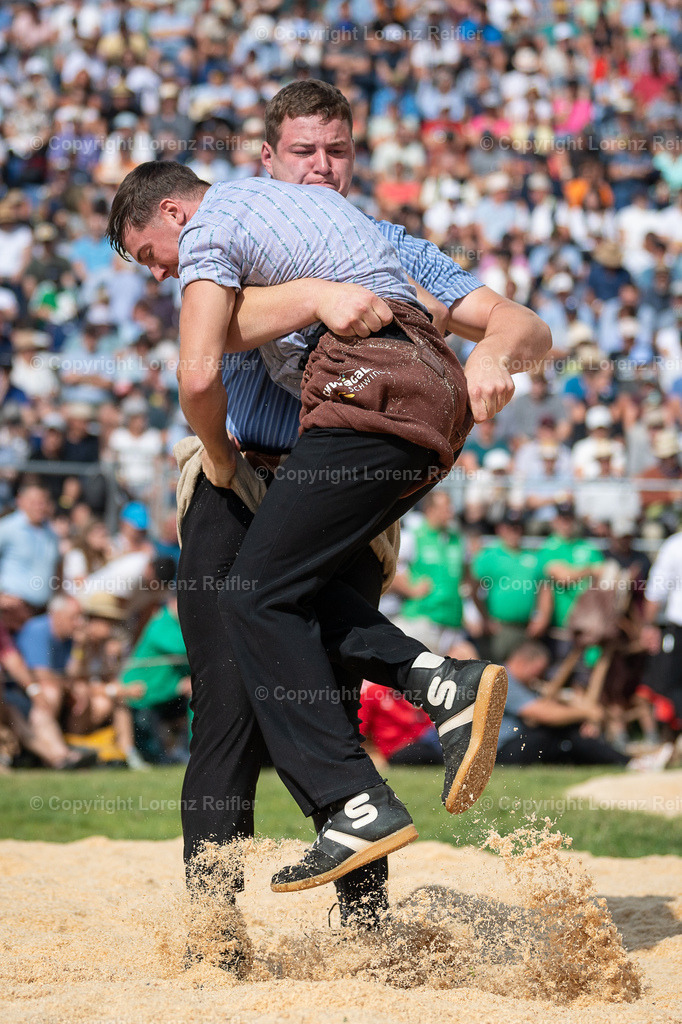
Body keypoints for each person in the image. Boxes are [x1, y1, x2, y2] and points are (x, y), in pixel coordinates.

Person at [105, 83, 549, 913]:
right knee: (229, 711)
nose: (322, 166)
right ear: (267, 162)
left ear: (354, 154)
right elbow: (212, 339)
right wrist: (309, 299)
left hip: (329, 474)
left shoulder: (382, 245)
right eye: (304, 152)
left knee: (323, 696)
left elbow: (524, 323)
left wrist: (495, 352)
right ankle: (213, 921)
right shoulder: (233, 228)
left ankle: (367, 919)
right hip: (233, 473)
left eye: (336, 151)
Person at [496, 641, 673, 770]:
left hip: (514, 747)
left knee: (569, 740)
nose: (540, 676)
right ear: (523, 662)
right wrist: (585, 713)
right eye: (538, 670)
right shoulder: (504, 681)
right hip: (502, 753)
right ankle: (632, 762)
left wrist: (580, 718)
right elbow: (543, 714)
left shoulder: (513, 680)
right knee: (561, 731)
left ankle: (630, 762)